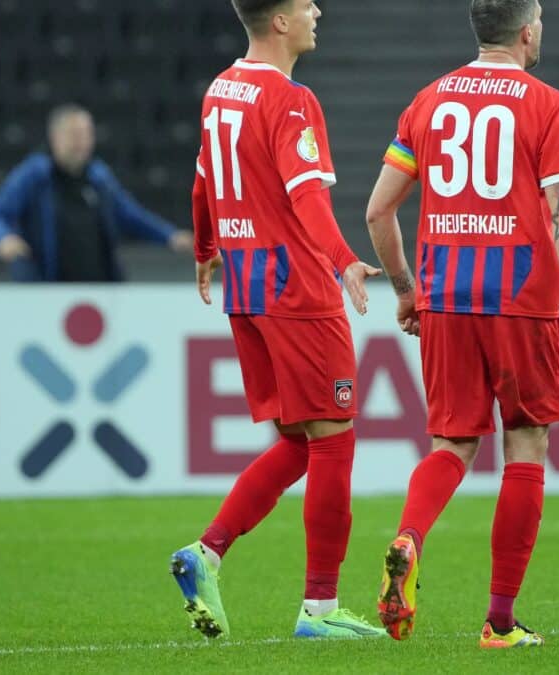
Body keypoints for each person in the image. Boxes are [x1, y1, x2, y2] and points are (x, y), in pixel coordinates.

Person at [364, 0, 559, 648]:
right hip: (520, 301)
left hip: (446, 299)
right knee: (525, 445)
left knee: (450, 446)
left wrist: (409, 291)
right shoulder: (551, 105)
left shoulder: (428, 102)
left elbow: (379, 212)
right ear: (527, 32)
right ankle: (499, 621)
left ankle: (409, 538)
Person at [169, 0, 384, 641]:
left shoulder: (221, 89)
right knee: (334, 439)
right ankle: (319, 610)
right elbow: (306, 194)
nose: (318, 10)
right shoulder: (291, 100)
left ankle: (205, 554)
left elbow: (203, 181)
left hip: (248, 289)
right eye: (305, 4)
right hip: (297, 291)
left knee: (298, 441)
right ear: (280, 21)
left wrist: (207, 247)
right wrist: (344, 259)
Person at [0, 104, 192, 281]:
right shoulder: (34, 175)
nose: (81, 142)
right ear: (55, 137)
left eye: (87, 134)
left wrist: (169, 236)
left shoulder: (99, 178)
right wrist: (3, 238)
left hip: (98, 288)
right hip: (46, 292)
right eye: (74, 134)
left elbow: (131, 216)